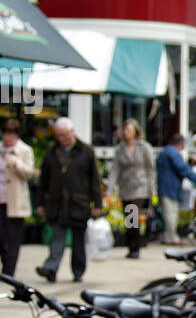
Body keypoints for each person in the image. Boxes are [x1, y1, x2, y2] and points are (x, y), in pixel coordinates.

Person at [36, 117, 103, 283]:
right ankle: (51, 268)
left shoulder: (86, 151)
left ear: (72, 132)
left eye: (64, 135)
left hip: (78, 203)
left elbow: (95, 180)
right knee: (56, 238)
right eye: (58, 136)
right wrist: (39, 202)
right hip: (57, 203)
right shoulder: (51, 152)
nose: (61, 139)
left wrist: (98, 203)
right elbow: (43, 180)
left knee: (78, 242)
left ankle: (78, 271)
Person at [109, 119, 156, 259]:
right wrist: (110, 189)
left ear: (136, 131)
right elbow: (115, 170)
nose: (127, 132)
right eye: (125, 130)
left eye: (129, 130)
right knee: (129, 219)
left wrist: (152, 187)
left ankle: (135, 248)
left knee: (133, 216)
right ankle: (132, 246)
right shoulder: (120, 149)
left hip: (141, 187)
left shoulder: (144, 147)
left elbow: (151, 169)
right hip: (126, 188)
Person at [0, 118, 35, 277]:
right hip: (0, 199)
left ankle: (8, 272)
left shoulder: (25, 150)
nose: (7, 138)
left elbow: (29, 173)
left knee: (12, 240)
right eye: (5, 134)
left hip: (14, 201)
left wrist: (16, 164)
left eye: (10, 134)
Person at [157, 134, 196, 244]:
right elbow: (183, 169)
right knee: (171, 213)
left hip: (166, 187)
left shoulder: (166, 151)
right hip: (169, 188)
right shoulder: (173, 153)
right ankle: (172, 238)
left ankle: (167, 236)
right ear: (180, 144)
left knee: (168, 213)